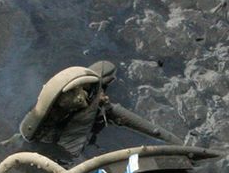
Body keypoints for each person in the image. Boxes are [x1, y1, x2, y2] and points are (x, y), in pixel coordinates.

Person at [16, 61, 183, 160]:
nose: (80, 98)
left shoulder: (97, 105)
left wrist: (179, 147)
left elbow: (153, 131)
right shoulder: (47, 117)